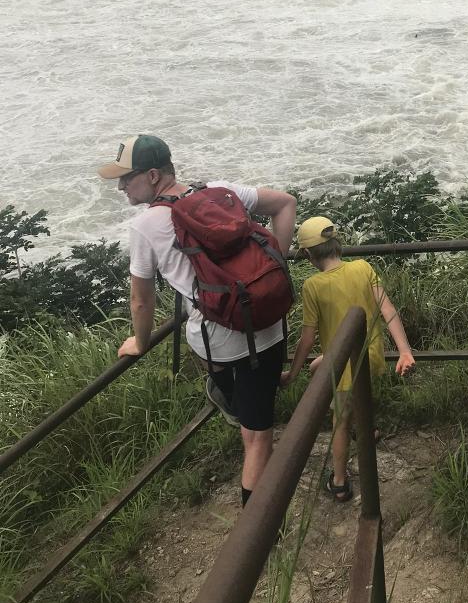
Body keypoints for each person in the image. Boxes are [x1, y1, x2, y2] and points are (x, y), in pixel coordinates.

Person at [97, 134, 296, 508]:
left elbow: (141, 301)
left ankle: (257, 537)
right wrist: (274, 265)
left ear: (154, 175)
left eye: (128, 177)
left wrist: (140, 342)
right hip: (269, 324)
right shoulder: (221, 190)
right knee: (257, 424)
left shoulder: (146, 227)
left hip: (220, 340)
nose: (121, 185)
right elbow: (286, 204)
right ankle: (238, 405)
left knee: (254, 434)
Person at [280, 216, 416, 502]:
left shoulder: (313, 286)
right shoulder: (362, 267)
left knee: (339, 420)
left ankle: (339, 481)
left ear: (307, 254)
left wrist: (293, 373)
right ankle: (368, 429)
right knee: (357, 393)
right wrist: (404, 350)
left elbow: (307, 339)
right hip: (370, 353)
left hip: (342, 364)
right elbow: (388, 309)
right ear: (337, 244)